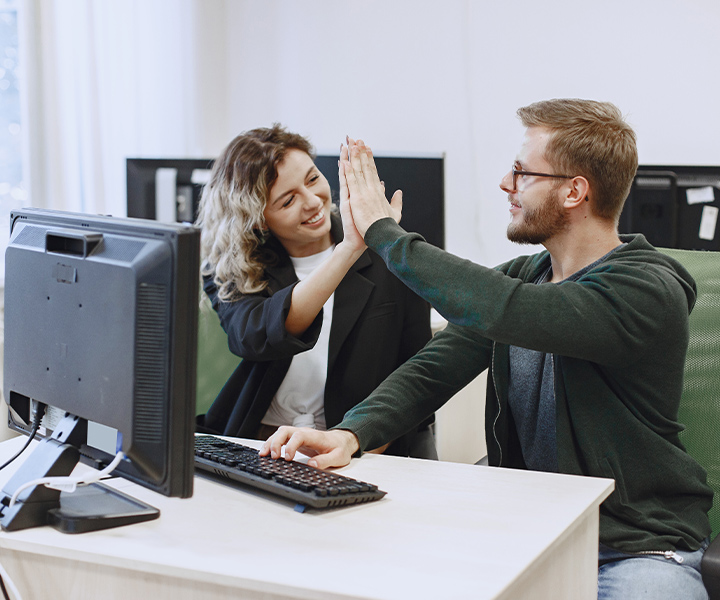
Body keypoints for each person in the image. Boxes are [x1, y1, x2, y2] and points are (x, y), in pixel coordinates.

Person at [261, 100, 714, 599]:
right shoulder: (528, 277)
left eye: (522, 172)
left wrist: (382, 233)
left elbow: (509, 310)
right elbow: (434, 368)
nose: (506, 183)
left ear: (574, 191)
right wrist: (351, 433)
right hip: (530, 533)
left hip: (636, 545)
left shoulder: (644, 289)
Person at [194, 124, 436, 459]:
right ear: (259, 219)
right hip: (264, 444)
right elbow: (255, 336)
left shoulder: (390, 252)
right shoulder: (232, 268)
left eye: (312, 179)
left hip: (368, 447)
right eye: (288, 200)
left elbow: (420, 371)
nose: (312, 202)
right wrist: (348, 250)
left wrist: (363, 444)